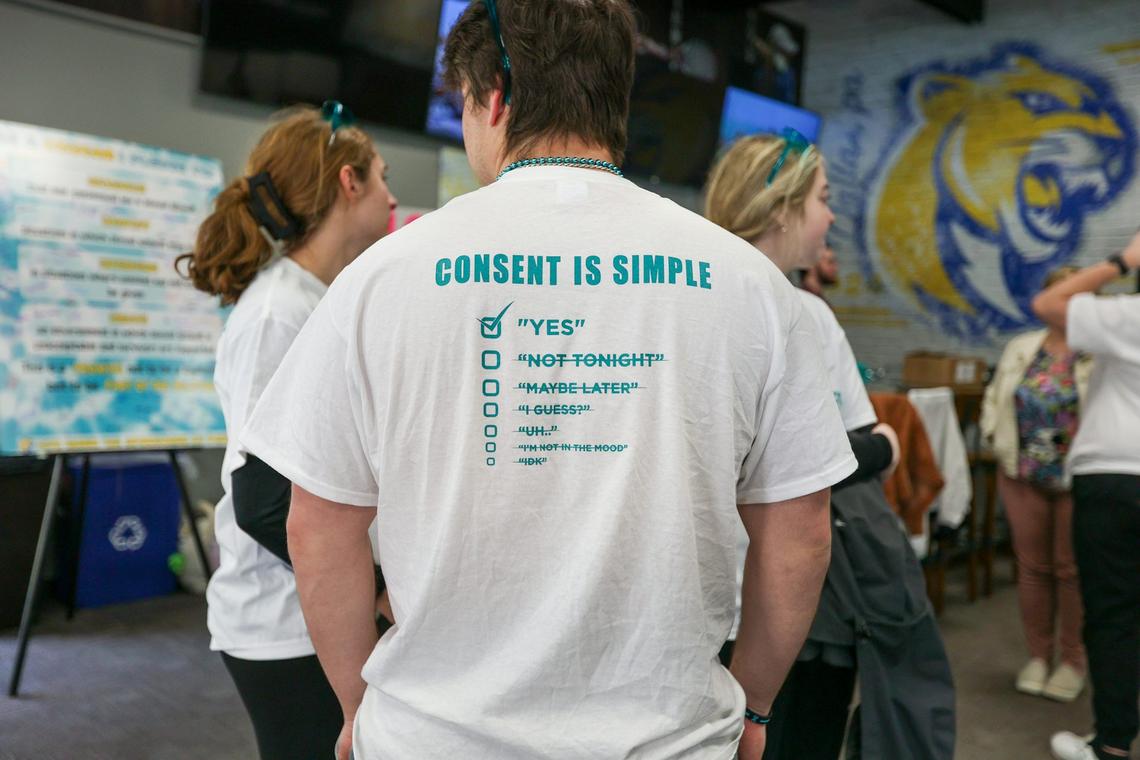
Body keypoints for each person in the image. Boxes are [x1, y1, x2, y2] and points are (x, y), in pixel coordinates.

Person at [238, 1, 856, 758]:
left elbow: (315, 522)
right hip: (670, 740)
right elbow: (801, 529)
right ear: (616, 96)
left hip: (430, 740)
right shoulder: (752, 287)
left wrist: (357, 706)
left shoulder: (378, 280)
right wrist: (755, 708)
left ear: (492, 98)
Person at [706, 133, 956, 760]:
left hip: (714, 605)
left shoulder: (696, 303)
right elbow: (867, 448)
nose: (833, 215)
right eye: (824, 197)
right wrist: (873, 451)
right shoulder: (801, 315)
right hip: (795, 612)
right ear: (783, 206)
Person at [176, 104, 398, 760]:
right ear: (348, 183)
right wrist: (377, 589)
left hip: (316, 614)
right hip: (286, 626)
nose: (392, 196)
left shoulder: (314, 298)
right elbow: (264, 501)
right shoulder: (279, 312)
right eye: (382, 177)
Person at [1032, 231, 1140, 760]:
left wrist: (1123, 259)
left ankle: (1114, 743)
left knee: (1114, 612)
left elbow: (1049, 302)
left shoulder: (1130, 316)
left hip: (1115, 475)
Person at [981, 266, 1092, 702]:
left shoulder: (1098, 352)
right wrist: (994, 433)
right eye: (1056, 295)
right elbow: (996, 398)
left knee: (1070, 571)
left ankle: (1072, 661)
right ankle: (1037, 656)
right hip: (1021, 471)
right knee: (1032, 568)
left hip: (1076, 478)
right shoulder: (1021, 347)